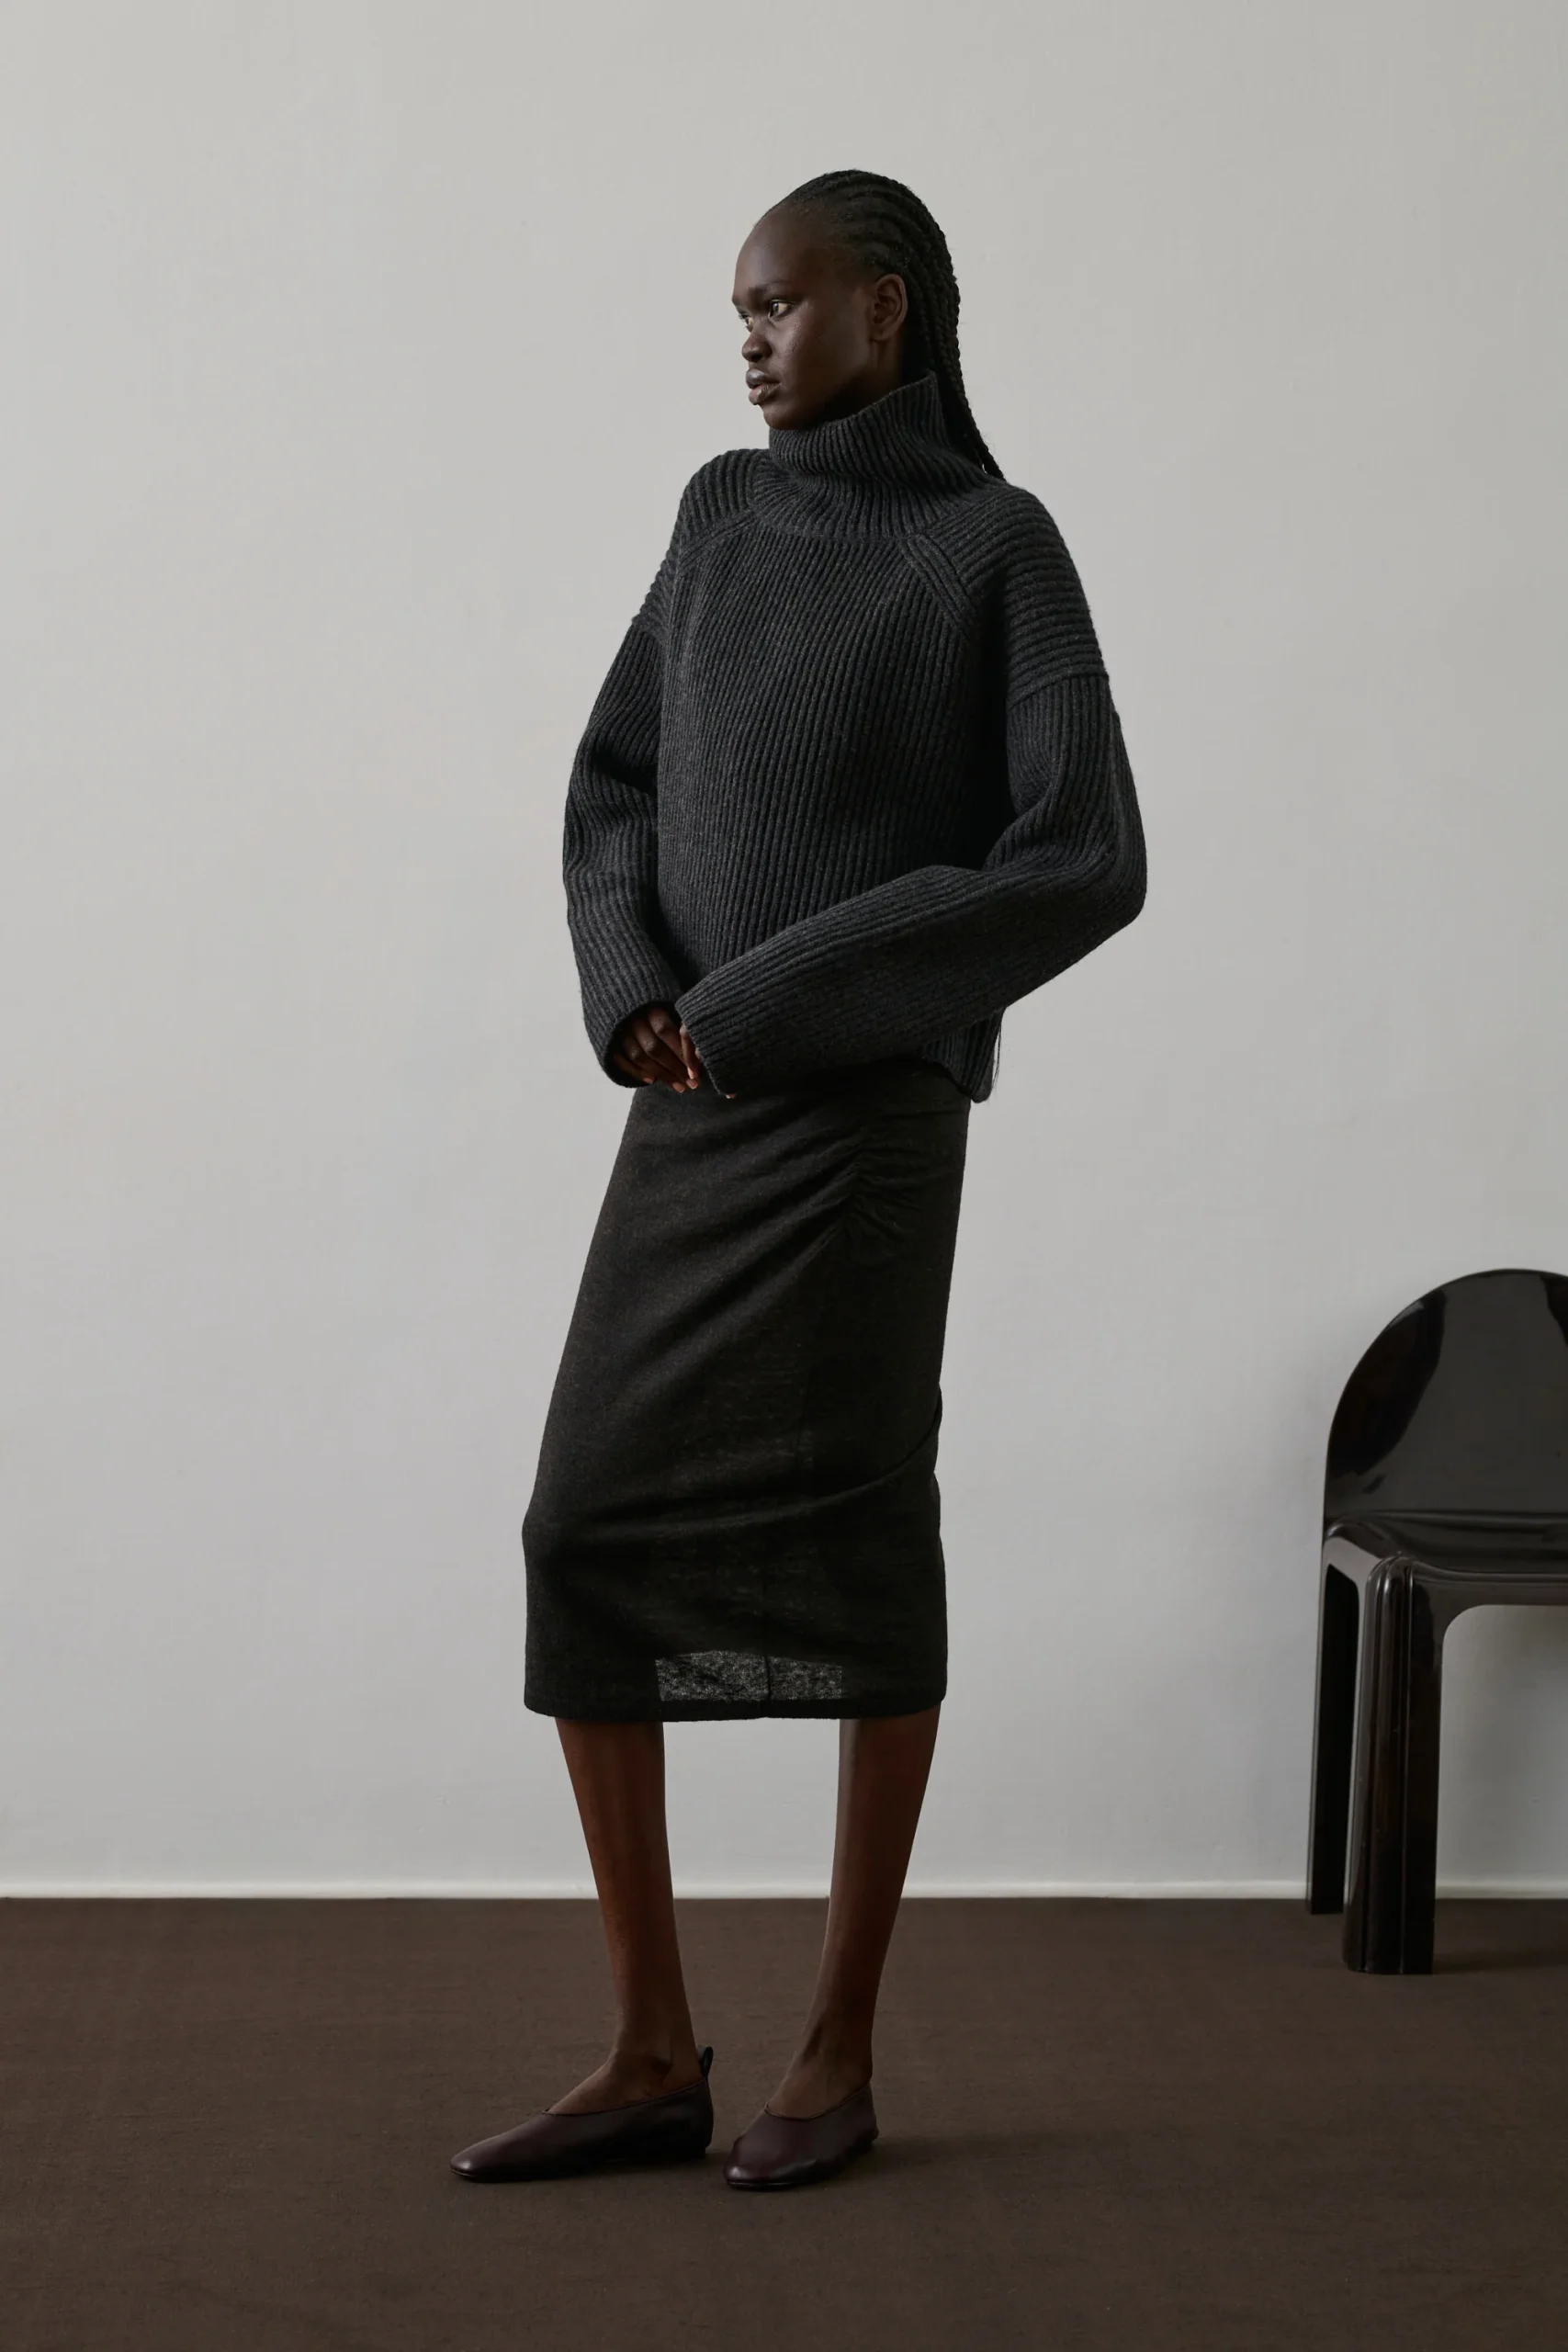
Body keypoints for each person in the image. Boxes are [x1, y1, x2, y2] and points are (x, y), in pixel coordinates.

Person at [451, 168, 1145, 2192]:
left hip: (861, 1135)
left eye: (778, 303)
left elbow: (1082, 855)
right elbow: (612, 784)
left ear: (887, 308)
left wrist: (770, 998)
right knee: (585, 1526)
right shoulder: (717, 516)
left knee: (851, 1544)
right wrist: (634, 993)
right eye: (737, 313)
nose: (749, 341)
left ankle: (836, 2050)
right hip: (689, 1100)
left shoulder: (994, 547)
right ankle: (648, 2047)